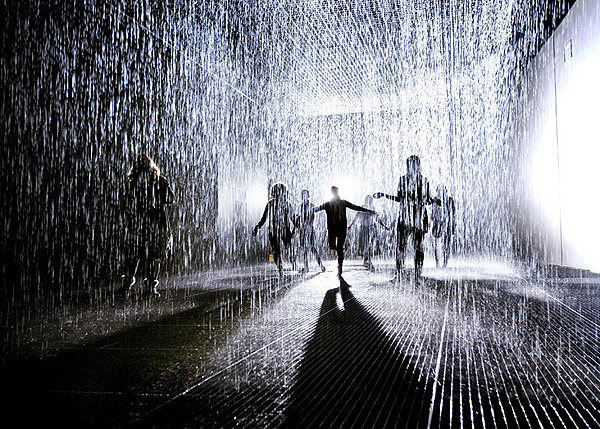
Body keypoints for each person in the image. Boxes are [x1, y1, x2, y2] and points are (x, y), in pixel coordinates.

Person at [373, 155, 436, 281]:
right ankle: (401, 272)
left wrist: (433, 200)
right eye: (409, 165)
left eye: (413, 164)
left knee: (417, 247)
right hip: (407, 217)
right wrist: (384, 195)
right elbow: (400, 198)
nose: (411, 167)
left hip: (416, 217)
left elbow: (427, 200)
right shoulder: (405, 180)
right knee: (403, 246)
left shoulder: (424, 181)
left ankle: (416, 273)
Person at [120, 154, 174, 297]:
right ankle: (150, 287)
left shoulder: (132, 182)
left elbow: (125, 202)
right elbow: (170, 199)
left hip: (138, 222)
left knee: (134, 255)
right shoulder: (159, 181)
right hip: (157, 223)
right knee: (154, 256)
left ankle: (126, 286)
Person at [315, 186, 376, 277]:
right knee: (332, 246)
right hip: (332, 229)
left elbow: (356, 207)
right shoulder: (328, 204)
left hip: (341, 229)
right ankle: (341, 251)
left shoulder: (343, 202)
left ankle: (340, 266)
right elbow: (316, 209)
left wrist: (369, 211)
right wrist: (307, 211)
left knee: (339, 248)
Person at [252, 182, 295, 277]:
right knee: (286, 248)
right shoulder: (286, 203)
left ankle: (281, 268)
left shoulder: (271, 204)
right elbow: (293, 219)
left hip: (275, 230)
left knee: (277, 250)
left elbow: (264, 219)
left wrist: (257, 228)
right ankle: (289, 264)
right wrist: (294, 230)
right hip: (282, 229)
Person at [347, 194, 389, 270]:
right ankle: (366, 260)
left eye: (371, 200)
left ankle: (367, 259)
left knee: (369, 244)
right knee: (365, 244)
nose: (370, 202)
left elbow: (377, 219)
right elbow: (357, 216)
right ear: (366, 200)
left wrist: (384, 226)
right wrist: (351, 225)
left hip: (370, 228)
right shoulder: (362, 207)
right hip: (364, 228)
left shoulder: (372, 208)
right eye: (369, 200)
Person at [294, 189, 326, 273]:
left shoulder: (311, 205)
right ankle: (306, 266)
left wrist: (307, 224)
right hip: (303, 230)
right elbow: (298, 219)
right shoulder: (300, 207)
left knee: (312, 248)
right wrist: (296, 229)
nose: (304, 196)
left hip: (309, 229)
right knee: (304, 248)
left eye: (305, 195)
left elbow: (312, 216)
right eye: (302, 195)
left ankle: (321, 265)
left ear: (308, 196)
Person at [431, 184, 455, 268]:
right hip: (438, 224)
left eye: (443, 190)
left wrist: (452, 226)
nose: (441, 192)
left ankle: (444, 263)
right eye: (439, 190)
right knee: (438, 244)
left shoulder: (449, 200)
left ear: (446, 191)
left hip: (446, 224)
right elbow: (432, 214)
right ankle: (438, 263)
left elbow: (453, 214)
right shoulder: (435, 200)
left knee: (445, 244)